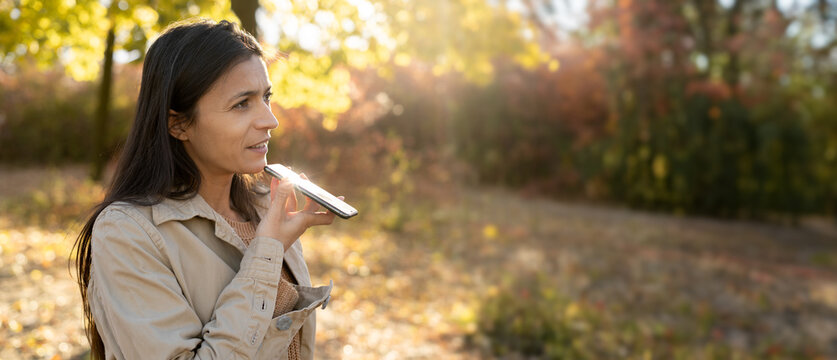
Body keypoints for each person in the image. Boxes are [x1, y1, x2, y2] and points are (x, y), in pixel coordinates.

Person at [73, 19, 339, 359]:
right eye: (242, 103)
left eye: (266, 97)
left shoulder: (264, 209)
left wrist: (274, 241)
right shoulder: (128, 233)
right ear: (179, 123)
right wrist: (268, 251)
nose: (269, 120)